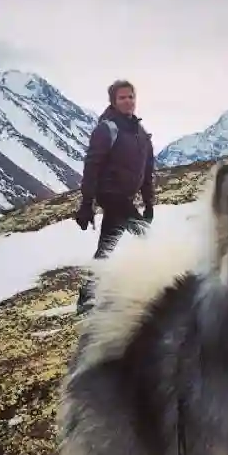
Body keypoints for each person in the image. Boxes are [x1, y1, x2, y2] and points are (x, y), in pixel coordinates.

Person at [74, 79, 155, 312]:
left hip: (125, 198)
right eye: (122, 97)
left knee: (106, 247)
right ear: (113, 101)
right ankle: (155, 286)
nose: (128, 101)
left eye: (131, 96)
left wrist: (149, 202)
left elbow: (146, 172)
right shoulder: (106, 129)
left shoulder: (141, 134)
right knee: (146, 236)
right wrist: (86, 204)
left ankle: (86, 295)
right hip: (110, 194)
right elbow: (92, 166)